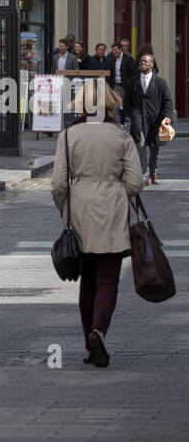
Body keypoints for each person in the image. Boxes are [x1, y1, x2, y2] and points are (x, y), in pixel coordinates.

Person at [52, 81, 144, 367]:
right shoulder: (120, 135)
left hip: (78, 209)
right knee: (108, 279)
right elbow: (136, 182)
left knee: (87, 282)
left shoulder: (68, 136)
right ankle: (99, 332)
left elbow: (58, 185)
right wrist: (117, 194)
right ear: (109, 102)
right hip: (111, 210)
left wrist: (64, 209)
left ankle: (90, 347)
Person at [130, 52, 174, 186]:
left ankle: (153, 172)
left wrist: (167, 117)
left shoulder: (161, 82)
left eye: (145, 61)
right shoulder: (133, 82)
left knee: (155, 149)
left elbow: (167, 102)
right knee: (141, 146)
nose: (142, 63)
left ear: (152, 64)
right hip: (138, 120)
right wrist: (131, 113)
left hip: (155, 121)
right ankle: (143, 174)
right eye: (141, 62)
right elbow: (127, 101)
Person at [108, 39, 137, 125]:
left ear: (121, 49)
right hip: (116, 85)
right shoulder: (112, 59)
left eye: (116, 50)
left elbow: (133, 73)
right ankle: (118, 124)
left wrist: (130, 85)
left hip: (126, 86)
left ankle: (124, 122)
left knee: (125, 105)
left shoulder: (128, 59)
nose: (114, 52)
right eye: (113, 50)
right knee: (116, 106)